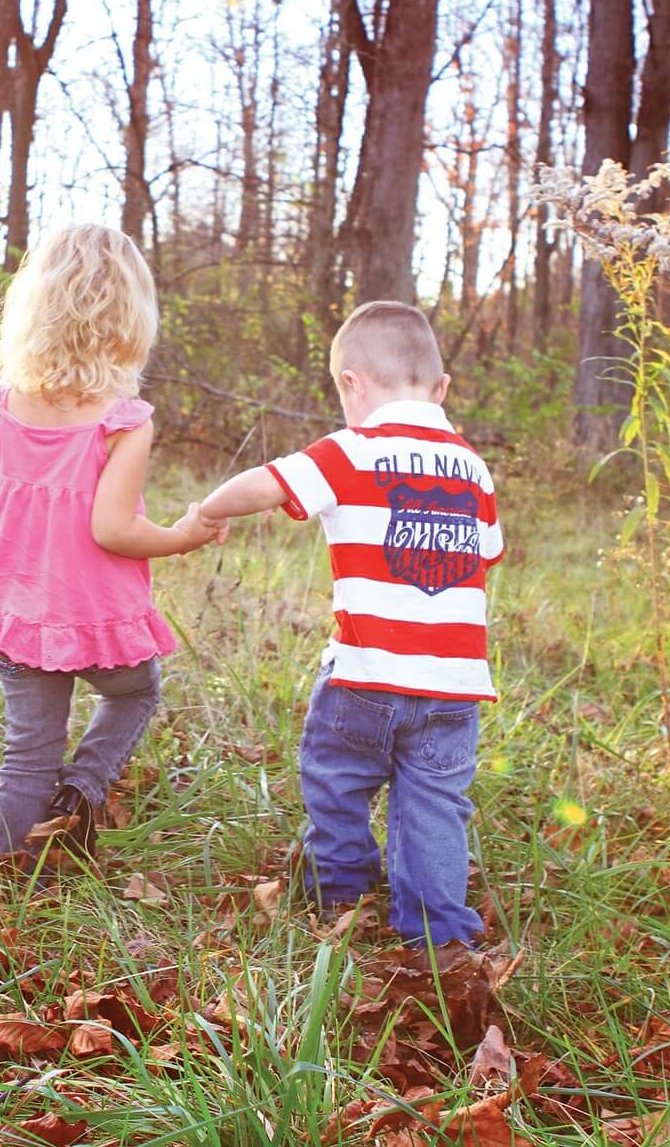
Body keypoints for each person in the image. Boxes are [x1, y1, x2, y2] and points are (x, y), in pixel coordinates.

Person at [193, 301, 502, 946]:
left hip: (365, 672)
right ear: (440, 389)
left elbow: (268, 483)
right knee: (436, 805)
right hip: (453, 685)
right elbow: (488, 552)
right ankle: (439, 935)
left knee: (336, 777)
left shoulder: (352, 449)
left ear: (351, 384)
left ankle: (340, 893)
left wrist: (209, 509)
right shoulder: (473, 467)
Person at [0, 224, 222, 867]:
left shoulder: (4, 405)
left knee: (29, 747)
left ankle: (13, 879)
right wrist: (183, 536)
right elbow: (113, 529)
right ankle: (82, 788)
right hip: (95, 616)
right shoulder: (122, 420)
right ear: (131, 315)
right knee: (135, 691)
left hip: (17, 611)